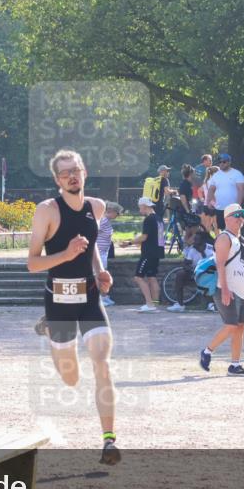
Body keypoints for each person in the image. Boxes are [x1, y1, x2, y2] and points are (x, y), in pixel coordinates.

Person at [27, 149, 120, 465]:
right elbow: (32, 263)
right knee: (71, 378)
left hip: (90, 298)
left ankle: (109, 441)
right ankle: (50, 328)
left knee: (102, 363)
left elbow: (90, 245)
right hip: (59, 301)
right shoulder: (47, 211)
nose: (72, 175)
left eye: (76, 170)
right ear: (57, 180)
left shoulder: (96, 207)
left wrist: (99, 270)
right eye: (65, 172)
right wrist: (65, 256)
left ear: (85, 173)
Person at [198, 203, 244, 376]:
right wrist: (225, 289)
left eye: (242, 216)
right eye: (236, 216)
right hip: (226, 289)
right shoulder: (224, 238)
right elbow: (220, 265)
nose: (240, 219)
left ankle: (235, 365)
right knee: (231, 325)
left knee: (240, 326)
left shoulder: (242, 242)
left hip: (240, 291)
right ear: (226, 219)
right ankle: (207, 351)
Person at [122, 196, 164, 312]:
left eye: (140, 208)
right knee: (152, 277)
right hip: (157, 252)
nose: (140, 210)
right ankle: (155, 305)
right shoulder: (158, 218)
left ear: (145, 206)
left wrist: (129, 243)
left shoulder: (149, 219)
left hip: (148, 253)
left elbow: (144, 237)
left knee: (138, 277)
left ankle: (149, 304)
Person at [167, 230, 214, 313]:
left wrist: (202, 252)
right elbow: (186, 264)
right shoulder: (192, 249)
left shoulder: (211, 249)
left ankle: (211, 304)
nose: (194, 242)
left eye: (196, 240)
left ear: (202, 241)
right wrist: (191, 270)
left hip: (208, 274)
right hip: (195, 273)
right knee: (180, 274)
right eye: (194, 239)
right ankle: (180, 304)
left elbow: (212, 264)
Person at [205, 154, 244, 231]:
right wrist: (210, 202)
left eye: (224, 162)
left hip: (232, 209)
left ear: (229, 162)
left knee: (234, 230)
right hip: (220, 208)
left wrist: (237, 206)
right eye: (219, 162)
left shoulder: (237, 174)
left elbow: (241, 190)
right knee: (223, 230)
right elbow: (211, 190)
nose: (221, 164)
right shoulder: (216, 175)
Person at [96, 202, 123, 307]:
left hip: (103, 253)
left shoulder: (106, 221)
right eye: (118, 213)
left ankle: (104, 296)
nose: (118, 216)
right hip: (99, 253)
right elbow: (92, 231)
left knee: (103, 276)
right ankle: (100, 298)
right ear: (111, 212)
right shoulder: (103, 220)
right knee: (101, 276)